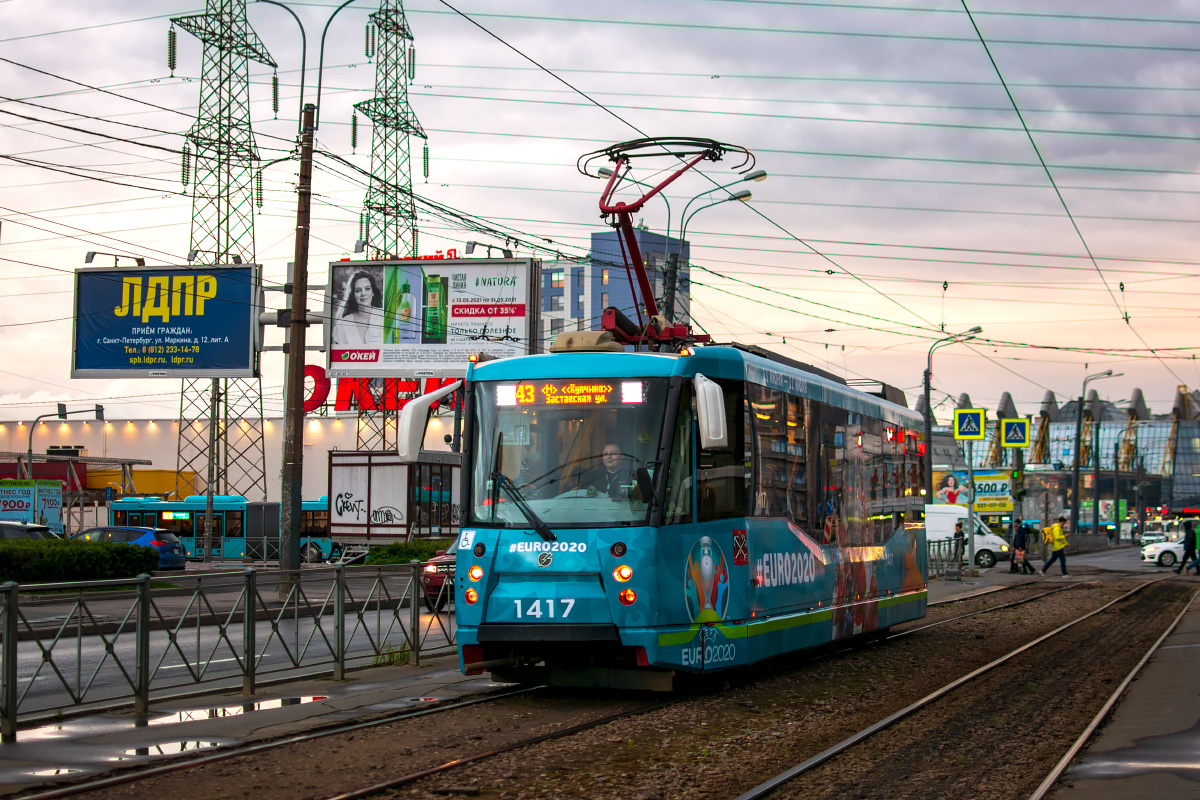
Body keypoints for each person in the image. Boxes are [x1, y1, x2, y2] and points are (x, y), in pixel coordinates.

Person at [332, 270, 383, 345]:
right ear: (353, 294)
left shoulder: (384, 316)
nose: (363, 293)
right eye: (358, 290)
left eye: (367, 289)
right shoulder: (343, 324)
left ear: (373, 292)